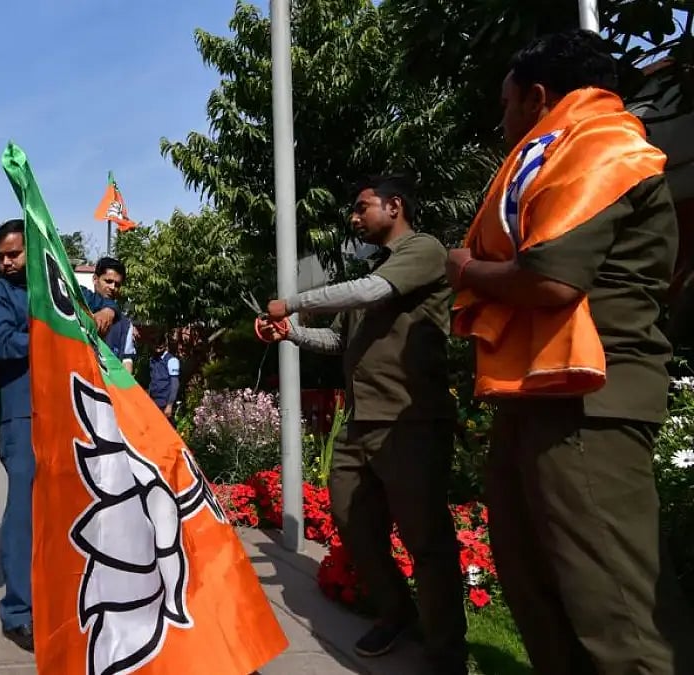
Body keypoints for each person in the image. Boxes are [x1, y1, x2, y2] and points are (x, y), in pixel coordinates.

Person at [447, 30, 693, 674]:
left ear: (537, 97)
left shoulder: (602, 150)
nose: (501, 121)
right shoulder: (560, 157)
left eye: (505, 104)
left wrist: (467, 269)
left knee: (610, 607)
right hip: (539, 392)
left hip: (588, 400)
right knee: (538, 589)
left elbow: (551, 279)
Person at [259, 175, 467, 673]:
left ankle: (445, 651)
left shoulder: (423, 250)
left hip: (410, 421)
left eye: (362, 207)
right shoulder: (375, 271)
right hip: (361, 423)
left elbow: (370, 291)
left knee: (426, 539)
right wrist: (292, 335)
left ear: (395, 206)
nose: (354, 218)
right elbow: (337, 344)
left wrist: (293, 302)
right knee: (353, 522)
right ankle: (397, 612)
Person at [0, 218, 120, 652]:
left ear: (32, 254)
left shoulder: (57, 288)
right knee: (23, 513)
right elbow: (0, 344)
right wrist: (55, 335)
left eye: (14, 254)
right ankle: (19, 612)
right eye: (1, 255)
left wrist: (108, 311)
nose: (5, 262)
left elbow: (103, 301)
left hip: (67, 414)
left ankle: (63, 598)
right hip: (23, 414)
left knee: (67, 512)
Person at [92, 256, 137, 372]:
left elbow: (127, 360)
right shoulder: (79, 306)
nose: (113, 287)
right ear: (95, 279)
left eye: (117, 284)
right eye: (108, 281)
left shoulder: (125, 324)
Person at [147, 338, 180, 422]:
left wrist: (170, 405)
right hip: (153, 402)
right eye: (155, 344)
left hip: (165, 403)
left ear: (165, 344)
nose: (158, 347)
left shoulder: (172, 360)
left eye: (160, 344)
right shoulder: (152, 360)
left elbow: (175, 384)